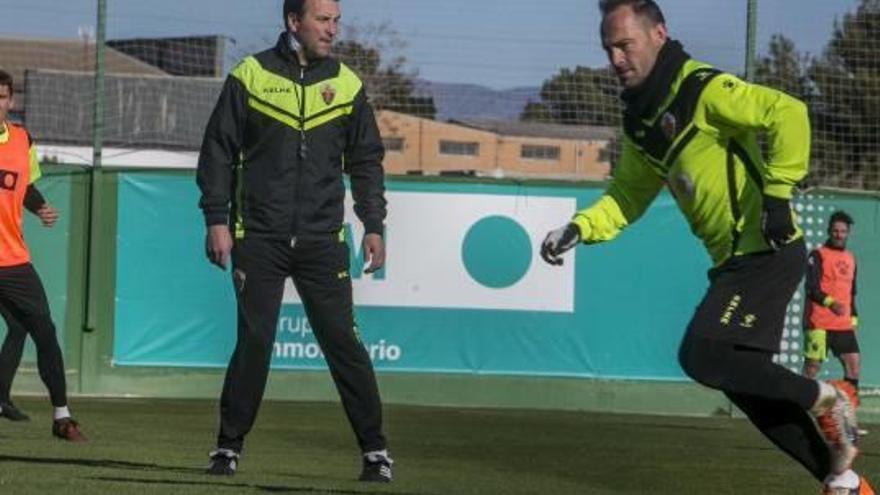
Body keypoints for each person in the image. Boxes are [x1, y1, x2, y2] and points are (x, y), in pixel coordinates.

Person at [540, 1, 872, 493]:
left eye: (624, 44)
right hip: (737, 262)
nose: (615, 59)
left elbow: (788, 112)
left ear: (658, 34)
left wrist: (778, 195)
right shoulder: (641, 122)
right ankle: (843, 482)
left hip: (768, 252)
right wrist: (580, 227)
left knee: (701, 355)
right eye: (608, 48)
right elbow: (629, 195)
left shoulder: (702, 89)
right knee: (748, 385)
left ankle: (829, 396)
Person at [196, 0, 391, 482]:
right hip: (257, 236)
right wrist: (216, 218)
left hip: (324, 240)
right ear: (292, 22)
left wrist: (373, 223)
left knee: (343, 341)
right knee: (257, 339)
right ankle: (227, 447)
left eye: (335, 20)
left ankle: (375, 452)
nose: (332, 29)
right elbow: (218, 150)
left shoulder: (346, 84)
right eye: (322, 20)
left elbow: (365, 160)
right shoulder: (251, 75)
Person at [0, 70, 86, 442]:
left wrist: (40, 207)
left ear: (11, 100)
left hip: (12, 260)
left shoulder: (22, 139)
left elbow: (25, 184)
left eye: (2, 96)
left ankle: (62, 416)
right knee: (19, 329)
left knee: (41, 330)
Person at [803, 212, 862, 394]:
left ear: (847, 233)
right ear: (829, 231)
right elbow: (811, 289)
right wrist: (831, 303)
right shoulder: (818, 255)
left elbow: (851, 293)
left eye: (843, 231)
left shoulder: (851, 258)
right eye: (835, 231)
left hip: (843, 325)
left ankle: (847, 414)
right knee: (812, 368)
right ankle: (798, 408)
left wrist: (853, 318)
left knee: (853, 364)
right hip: (819, 322)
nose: (839, 235)